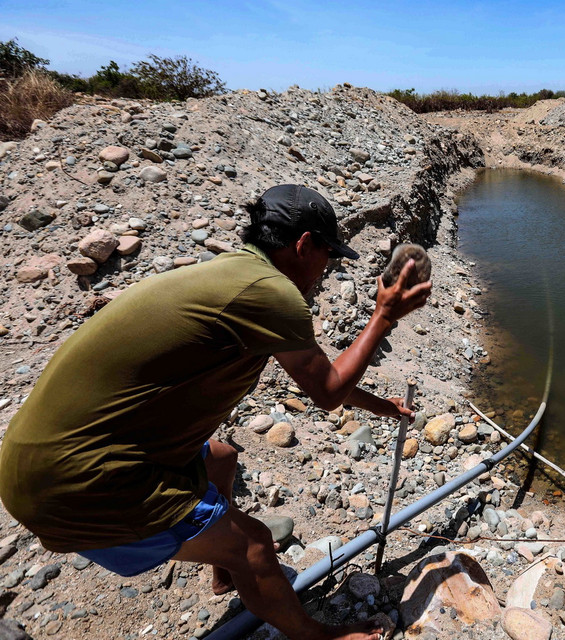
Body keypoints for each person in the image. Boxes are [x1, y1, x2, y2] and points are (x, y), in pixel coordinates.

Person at [0, 184, 431, 640]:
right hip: (78, 480)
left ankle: (224, 569)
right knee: (256, 545)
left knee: (221, 458)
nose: (328, 268)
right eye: (328, 254)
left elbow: (316, 373)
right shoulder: (273, 294)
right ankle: (316, 634)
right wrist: (384, 315)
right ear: (304, 245)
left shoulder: (238, 276)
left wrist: (384, 407)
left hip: (31, 456)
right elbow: (326, 391)